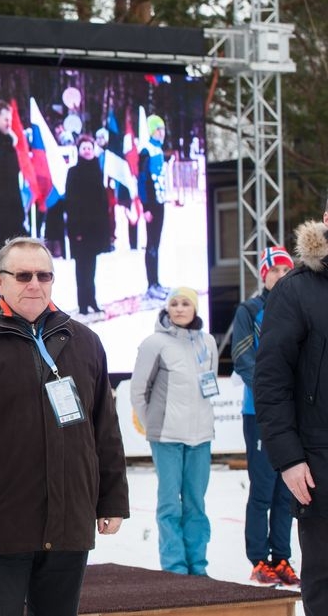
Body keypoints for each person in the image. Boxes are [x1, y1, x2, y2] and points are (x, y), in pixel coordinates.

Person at [0, 236, 129, 616]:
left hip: (69, 522)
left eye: (44, 275)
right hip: (1, 524)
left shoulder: (85, 342)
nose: (34, 284)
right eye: (23, 275)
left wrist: (113, 500)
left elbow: (105, 429)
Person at [254, 205, 328, 613]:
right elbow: (271, 381)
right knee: (324, 580)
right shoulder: (296, 289)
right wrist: (289, 458)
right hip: (319, 465)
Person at [130, 287, 219, 575]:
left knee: (196, 504)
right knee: (170, 505)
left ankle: (198, 565)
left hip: (200, 437)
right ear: (167, 309)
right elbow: (138, 391)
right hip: (166, 438)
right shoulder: (153, 343)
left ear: (194, 308)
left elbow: (210, 381)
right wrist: (153, 424)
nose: (179, 308)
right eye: (174, 304)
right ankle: (174, 567)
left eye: (185, 303)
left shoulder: (208, 342)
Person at [231, 246, 300, 586]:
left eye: (286, 270)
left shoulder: (297, 308)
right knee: (263, 488)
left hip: (292, 413)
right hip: (258, 412)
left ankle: (282, 557)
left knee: (287, 490)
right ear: (263, 276)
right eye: (274, 271)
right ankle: (258, 558)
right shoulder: (250, 310)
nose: (280, 276)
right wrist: (272, 396)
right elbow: (243, 358)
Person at [65, 134, 112, 316]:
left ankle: (92, 300)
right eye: (84, 148)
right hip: (80, 229)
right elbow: (71, 202)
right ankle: (82, 303)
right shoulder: (73, 172)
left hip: (95, 229)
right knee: (81, 267)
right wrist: (76, 229)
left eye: (89, 148)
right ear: (79, 150)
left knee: (91, 267)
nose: (87, 151)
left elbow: (101, 202)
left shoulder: (97, 170)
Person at [0, 101, 27, 293]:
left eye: (10, 118)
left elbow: (12, 181)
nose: (9, 122)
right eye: (5, 118)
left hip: (13, 214)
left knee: (15, 267)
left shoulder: (9, 143)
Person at [138, 115, 168, 300]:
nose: (162, 133)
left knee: (156, 243)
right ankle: (151, 284)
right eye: (159, 129)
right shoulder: (146, 150)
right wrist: (146, 206)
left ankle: (156, 281)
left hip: (160, 201)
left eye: (163, 129)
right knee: (151, 244)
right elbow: (142, 180)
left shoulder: (158, 149)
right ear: (152, 131)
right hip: (152, 204)